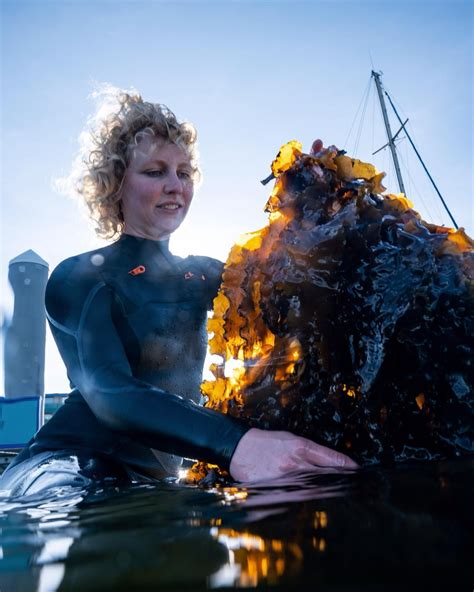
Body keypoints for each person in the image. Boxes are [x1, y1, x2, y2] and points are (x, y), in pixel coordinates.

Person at [0, 89, 357, 496]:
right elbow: (109, 392)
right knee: (98, 484)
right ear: (115, 185)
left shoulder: (205, 275)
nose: (174, 186)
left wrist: (317, 196)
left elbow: (297, 281)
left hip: (154, 481)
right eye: (155, 172)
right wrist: (234, 441)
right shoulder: (79, 276)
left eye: (184, 173)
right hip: (59, 467)